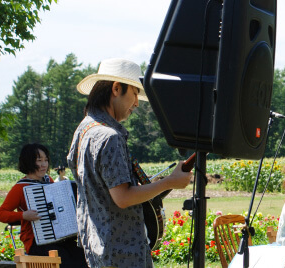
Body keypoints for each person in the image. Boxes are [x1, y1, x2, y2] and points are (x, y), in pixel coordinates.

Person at [66, 58, 192, 268]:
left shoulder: (84, 129)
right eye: (134, 93)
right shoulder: (109, 137)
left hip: (99, 246)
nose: (136, 103)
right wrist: (169, 182)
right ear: (116, 88)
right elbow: (122, 197)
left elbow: (103, 189)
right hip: (121, 252)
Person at [0, 143, 87, 267]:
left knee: (85, 258)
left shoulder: (48, 180)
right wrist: (23, 215)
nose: (44, 164)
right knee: (67, 262)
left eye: (46, 160)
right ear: (29, 162)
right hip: (36, 244)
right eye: (39, 160)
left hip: (60, 239)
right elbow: (0, 214)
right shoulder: (20, 187)